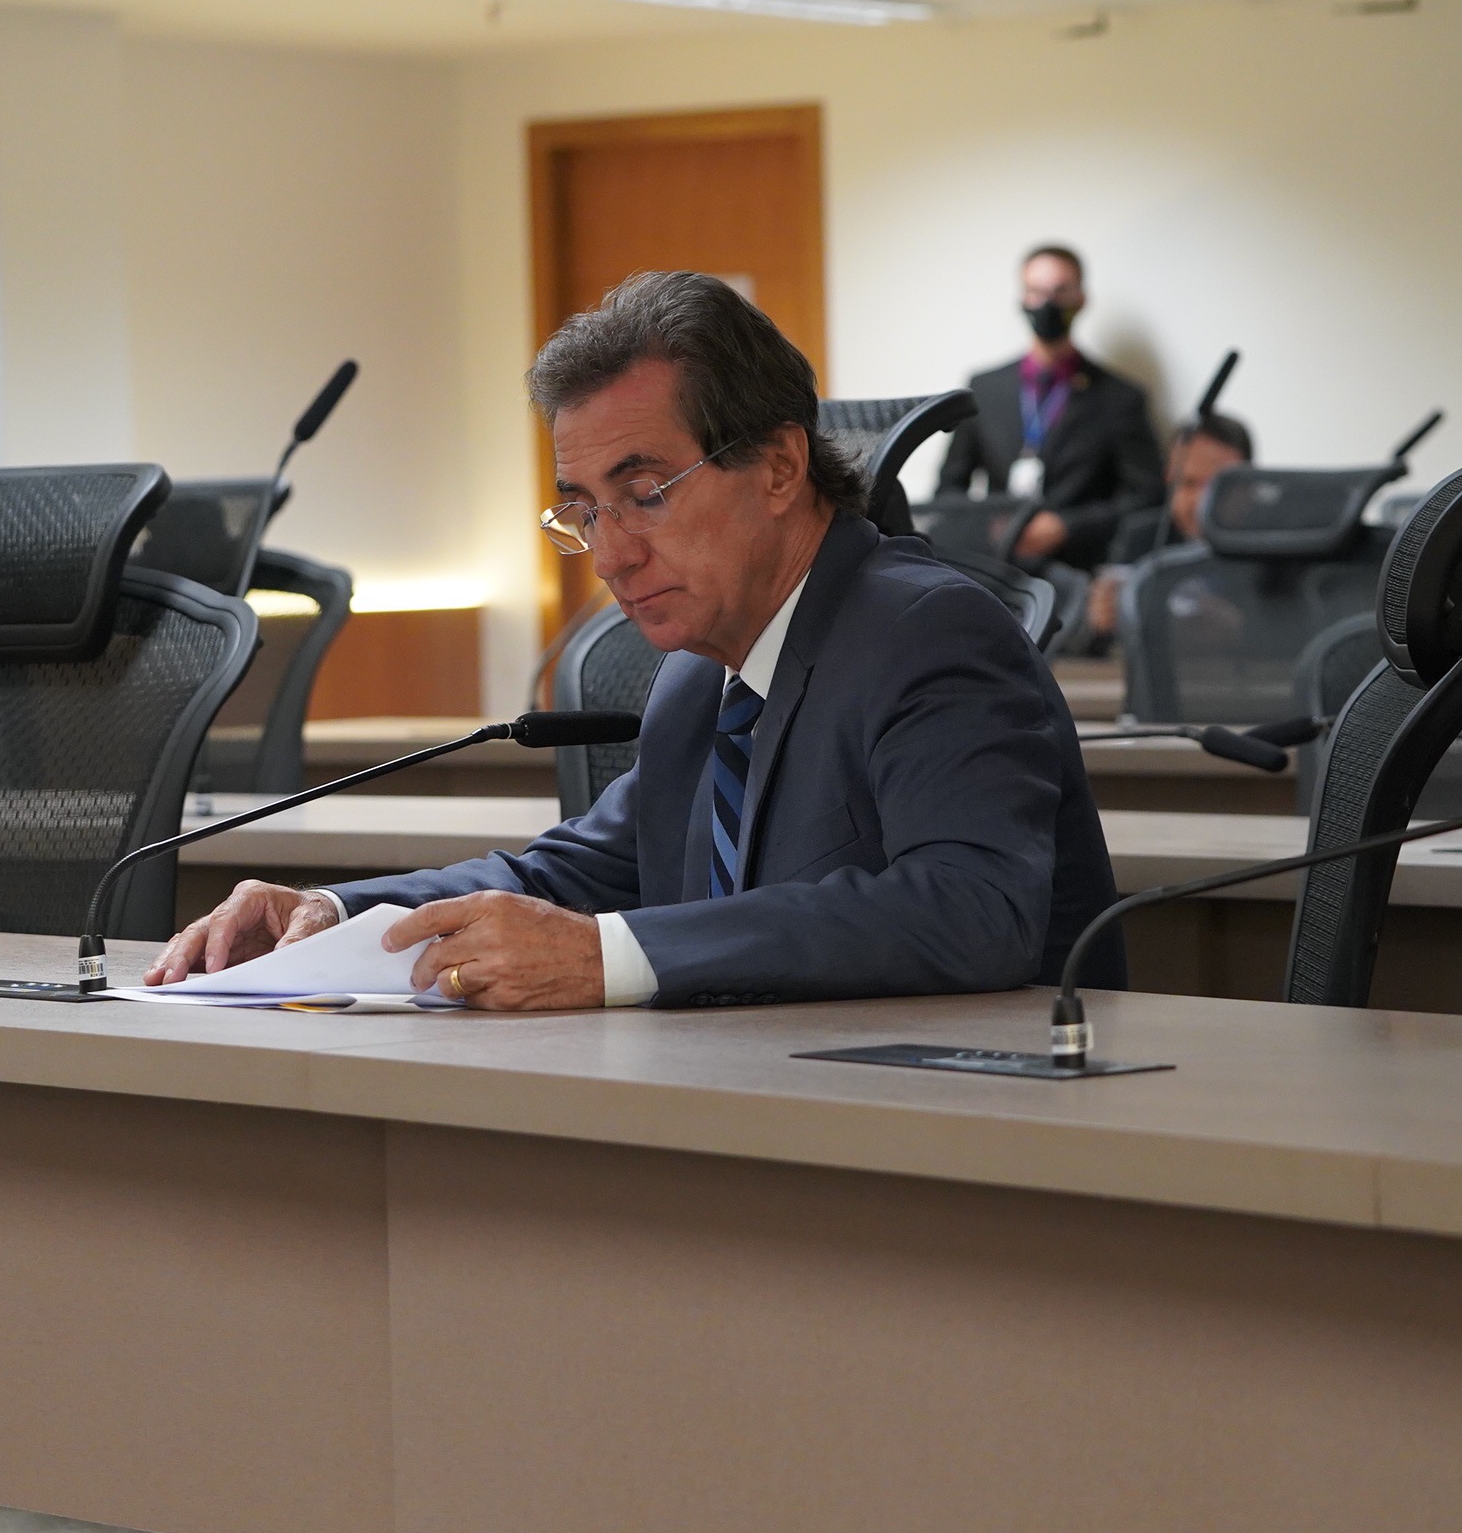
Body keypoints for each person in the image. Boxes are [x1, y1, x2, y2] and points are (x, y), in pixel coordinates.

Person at [149, 270, 1122, 1010]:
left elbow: (969, 909)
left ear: (779, 467)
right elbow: (568, 875)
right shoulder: (700, 676)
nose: (608, 556)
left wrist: (609, 955)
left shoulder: (926, 631)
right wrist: (337, 914)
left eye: (645, 492)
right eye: (583, 509)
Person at [934, 244, 1166, 575]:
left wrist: (1067, 527)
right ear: (1022, 298)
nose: (1047, 304)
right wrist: (987, 524)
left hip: (1079, 572)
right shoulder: (984, 389)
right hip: (996, 570)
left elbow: (1148, 497)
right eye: (1037, 291)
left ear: (1081, 299)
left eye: (1060, 291)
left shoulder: (1119, 397)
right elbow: (948, 489)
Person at [1085, 409, 1254, 640]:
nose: (1200, 501)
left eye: (1216, 486)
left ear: (1248, 485)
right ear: (1169, 480)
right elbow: (1099, 638)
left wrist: (1241, 631)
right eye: (1189, 483)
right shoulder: (1142, 537)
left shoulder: (1273, 547)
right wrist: (1100, 622)